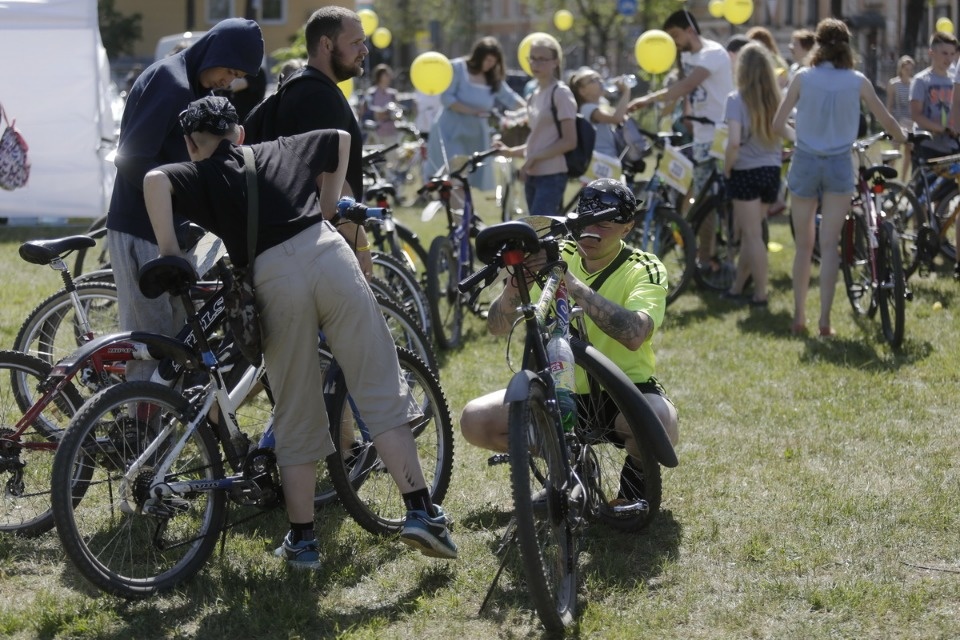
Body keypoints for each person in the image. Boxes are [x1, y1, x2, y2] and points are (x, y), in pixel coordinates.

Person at [142, 96, 458, 568]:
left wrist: (170, 253)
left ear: (191, 144)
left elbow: (154, 179)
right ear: (239, 133)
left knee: (294, 408)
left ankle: (304, 541)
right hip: (329, 256)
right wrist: (327, 206)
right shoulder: (281, 148)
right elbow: (341, 139)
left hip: (272, 279)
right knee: (376, 382)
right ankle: (420, 511)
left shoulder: (199, 173)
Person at [460, 179, 679, 501]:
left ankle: (634, 488)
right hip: (558, 391)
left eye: (603, 226)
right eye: (585, 223)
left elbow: (634, 334)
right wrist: (515, 286)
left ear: (627, 228)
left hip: (625, 389)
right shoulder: (556, 252)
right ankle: (571, 468)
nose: (591, 233)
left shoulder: (643, 267)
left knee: (660, 420)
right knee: (475, 420)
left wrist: (570, 282)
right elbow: (496, 326)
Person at [106, 18, 264, 384]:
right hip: (142, 229)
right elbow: (131, 158)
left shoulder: (191, 84)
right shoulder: (171, 83)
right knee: (154, 346)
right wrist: (176, 196)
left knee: (176, 346)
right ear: (216, 51)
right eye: (230, 71)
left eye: (238, 76)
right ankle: (140, 419)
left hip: (165, 228)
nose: (230, 81)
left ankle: (165, 416)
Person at [772, 18, 907, 338]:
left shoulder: (803, 77)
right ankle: (824, 322)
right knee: (830, 246)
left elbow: (778, 124)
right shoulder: (857, 80)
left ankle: (799, 317)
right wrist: (903, 138)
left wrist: (798, 137)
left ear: (817, 44)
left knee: (804, 246)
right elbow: (887, 120)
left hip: (806, 161)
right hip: (839, 164)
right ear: (848, 46)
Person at [628, 9, 734, 269]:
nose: (673, 43)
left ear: (690, 30)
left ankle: (714, 258)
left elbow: (687, 85)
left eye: (675, 35)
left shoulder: (713, 53)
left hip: (720, 136)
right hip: (701, 135)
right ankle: (700, 254)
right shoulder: (688, 56)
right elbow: (686, 91)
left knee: (712, 200)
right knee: (697, 197)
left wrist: (649, 99)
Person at [722, 43, 792, 307]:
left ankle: (761, 294)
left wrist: (727, 168)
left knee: (752, 236)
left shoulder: (735, 100)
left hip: (745, 172)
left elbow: (734, 143)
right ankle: (738, 287)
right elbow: (788, 131)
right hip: (771, 172)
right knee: (752, 236)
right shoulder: (775, 99)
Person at [425, 36, 525, 192]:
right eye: (488, 60)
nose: (490, 65)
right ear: (478, 56)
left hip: (476, 134)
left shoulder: (492, 78)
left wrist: (531, 108)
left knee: (469, 176)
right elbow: (447, 98)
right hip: (451, 131)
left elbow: (510, 98)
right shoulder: (458, 68)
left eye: (494, 62)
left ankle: (463, 206)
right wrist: (473, 111)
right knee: (454, 174)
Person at [493, 36, 576, 215]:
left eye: (542, 59)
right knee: (534, 229)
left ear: (555, 62)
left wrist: (533, 158)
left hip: (552, 176)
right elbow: (536, 142)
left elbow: (569, 141)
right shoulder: (533, 96)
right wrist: (509, 151)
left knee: (540, 230)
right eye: (532, 58)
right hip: (532, 175)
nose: (535, 64)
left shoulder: (560, 93)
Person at [910, 31, 960, 164]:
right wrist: (942, 129)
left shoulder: (955, 81)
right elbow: (916, 115)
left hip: (952, 146)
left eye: (952, 54)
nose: (949, 58)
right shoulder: (921, 80)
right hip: (927, 146)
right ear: (931, 53)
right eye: (944, 53)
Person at [569, 67, 630, 162]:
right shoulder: (588, 108)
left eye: (599, 78)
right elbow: (616, 118)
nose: (600, 81)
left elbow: (619, 114)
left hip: (606, 159)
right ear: (582, 91)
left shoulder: (597, 106)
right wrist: (626, 91)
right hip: (601, 160)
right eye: (593, 80)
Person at [886, 55, 915, 180]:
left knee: (909, 151)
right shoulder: (894, 84)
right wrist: (888, 123)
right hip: (898, 121)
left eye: (910, 69)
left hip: (910, 122)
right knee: (895, 151)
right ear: (901, 69)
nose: (908, 72)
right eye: (906, 69)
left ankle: (903, 179)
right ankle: (890, 178)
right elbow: (890, 105)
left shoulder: (914, 83)